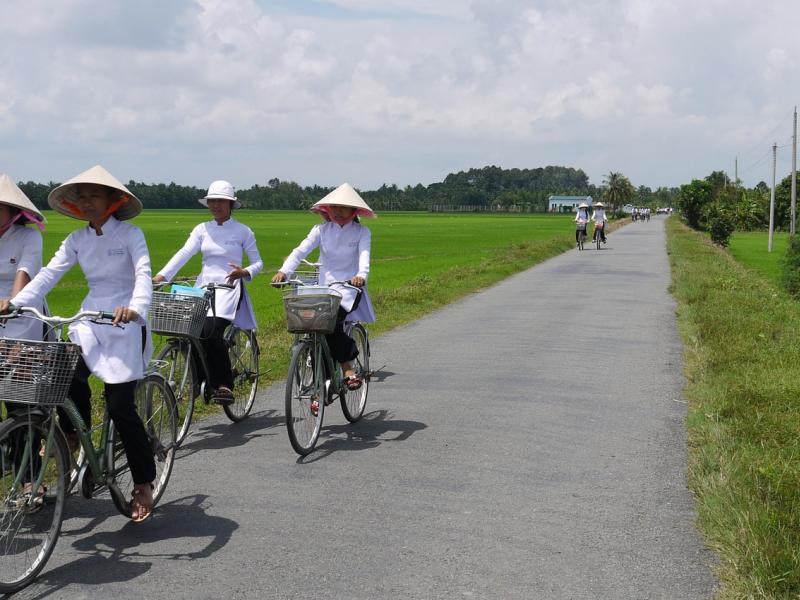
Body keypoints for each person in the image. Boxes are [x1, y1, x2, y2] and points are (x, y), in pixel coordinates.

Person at [0, 165, 157, 522]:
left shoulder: (131, 235)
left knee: (120, 407)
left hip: (124, 322)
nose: (86, 203)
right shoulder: (76, 240)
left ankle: (143, 482)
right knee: (65, 376)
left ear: (113, 200)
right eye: (81, 196)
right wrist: (19, 304)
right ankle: (76, 436)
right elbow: (48, 276)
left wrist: (135, 308)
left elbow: (144, 276)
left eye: (94, 196)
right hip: (89, 320)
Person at [153, 180, 263, 405]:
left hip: (229, 289)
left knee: (211, 331)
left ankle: (224, 384)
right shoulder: (201, 229)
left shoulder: (243, 231)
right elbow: (184, 253)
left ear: (230, 203)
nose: (215, 205)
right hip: (203, 288)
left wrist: (244, 272)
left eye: (220, 201)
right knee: (189, 332)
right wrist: (162, 276)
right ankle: (200, 381)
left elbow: (258, 263)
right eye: (212, 201)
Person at [271, 182, 375, 396]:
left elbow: (364, 257)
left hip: (348, 289)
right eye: (334, 207)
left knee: (331, 324)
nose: (337, 212)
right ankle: (324, 382)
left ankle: (347, 368)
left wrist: (360, 276)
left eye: (343, 207)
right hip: (323, 288)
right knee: (309, 324)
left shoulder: (362, 232)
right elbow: (300, 251)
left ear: (354, 210)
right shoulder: (320, 230)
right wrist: (284, 272)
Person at [0, 175, 47, 342]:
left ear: (13, 212)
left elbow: (24, 271)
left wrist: (12, 304)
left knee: (22, 360)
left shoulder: (29, 236)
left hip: (22, 306)